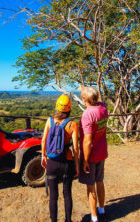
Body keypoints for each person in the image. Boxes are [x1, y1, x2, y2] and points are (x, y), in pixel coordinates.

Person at [41, 94, 79, 222]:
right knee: (67, 194)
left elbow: (44, 140)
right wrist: (77, 165)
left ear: (57, 107)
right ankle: (68, 220)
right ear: (69, 109)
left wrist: (43, 156)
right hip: (66, 163)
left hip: (52, 162)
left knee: (53, 196)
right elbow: (76, 148)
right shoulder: (73, 124)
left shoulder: (49, 121)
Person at [78, 86, 108, 222]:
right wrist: (84, 89)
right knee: (100, 182)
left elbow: (87, 141)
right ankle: (101, 209)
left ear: (84, 99)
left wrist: (85, 160)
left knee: (91, 187)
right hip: (102, 151)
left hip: (91, 155)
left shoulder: (87, 114)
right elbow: (97, 99)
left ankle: (94, 217)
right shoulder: (103, 108)